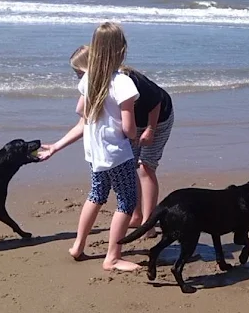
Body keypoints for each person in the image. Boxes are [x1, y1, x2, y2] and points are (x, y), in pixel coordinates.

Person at [40, 22, 141, 271]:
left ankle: (78, 245)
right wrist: (135, 136)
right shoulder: (123, 83)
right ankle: (113, 257)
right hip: (117, 154)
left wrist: (56, 147)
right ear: (122, 50)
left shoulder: (88, 81)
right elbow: (128, 128)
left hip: (95, 154)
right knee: (127, 202)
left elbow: (81, 117)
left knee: (96, 195)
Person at [69, 45, 174, 239]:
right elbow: (83, 117)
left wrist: (150, 129)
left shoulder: (127, 78)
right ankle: (135, 215)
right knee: (129, 164)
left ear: (92, 65)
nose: (78, 77)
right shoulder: (96, 82)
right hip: (132, 124)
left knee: (145, 167)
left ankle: (148, 223)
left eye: (79, 72)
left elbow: (156, 100)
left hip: (158, 119)